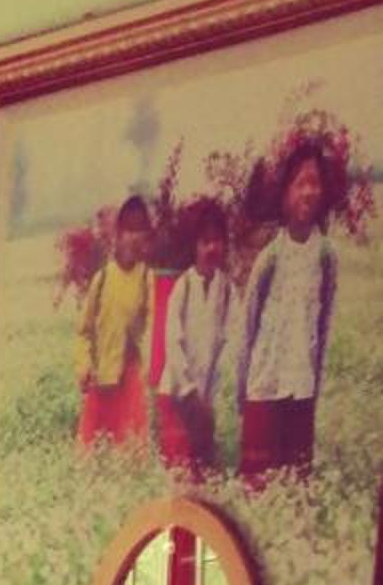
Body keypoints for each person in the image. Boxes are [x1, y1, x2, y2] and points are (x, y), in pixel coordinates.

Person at [238, 139, 339, 483]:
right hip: (264, 391)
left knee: (296, 490)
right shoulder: (270, 257)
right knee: (258, 490)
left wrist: (317, 389)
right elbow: (248, 329)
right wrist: (243, 393)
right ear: (286, 193)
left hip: (302, 392)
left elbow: (324, 328)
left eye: (315, 183)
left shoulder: (326, 256)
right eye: (300, 183)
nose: (308, 192)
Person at [154, 198, 234, 473]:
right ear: (195, 246)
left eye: (217, 241)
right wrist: (189, 391)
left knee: (203, 475)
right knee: (178, 473)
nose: (212, 248)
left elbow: (229, 346)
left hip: (205, 401)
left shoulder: (227, 291)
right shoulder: (183, 287)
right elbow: (172, 342)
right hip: (177, 395)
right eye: (205, 241)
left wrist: (211, 399)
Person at [74, 194, 154, 447]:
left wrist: (146, 370)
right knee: (92, 453)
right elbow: (84, 331)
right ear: (119, 234)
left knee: (131, 451)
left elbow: (152, 329)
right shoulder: (103, 278)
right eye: (130, 229)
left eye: (141, 230)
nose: (135, 237)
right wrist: (84, 365)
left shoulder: (146, 278)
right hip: (101, 378)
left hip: (131, 380)